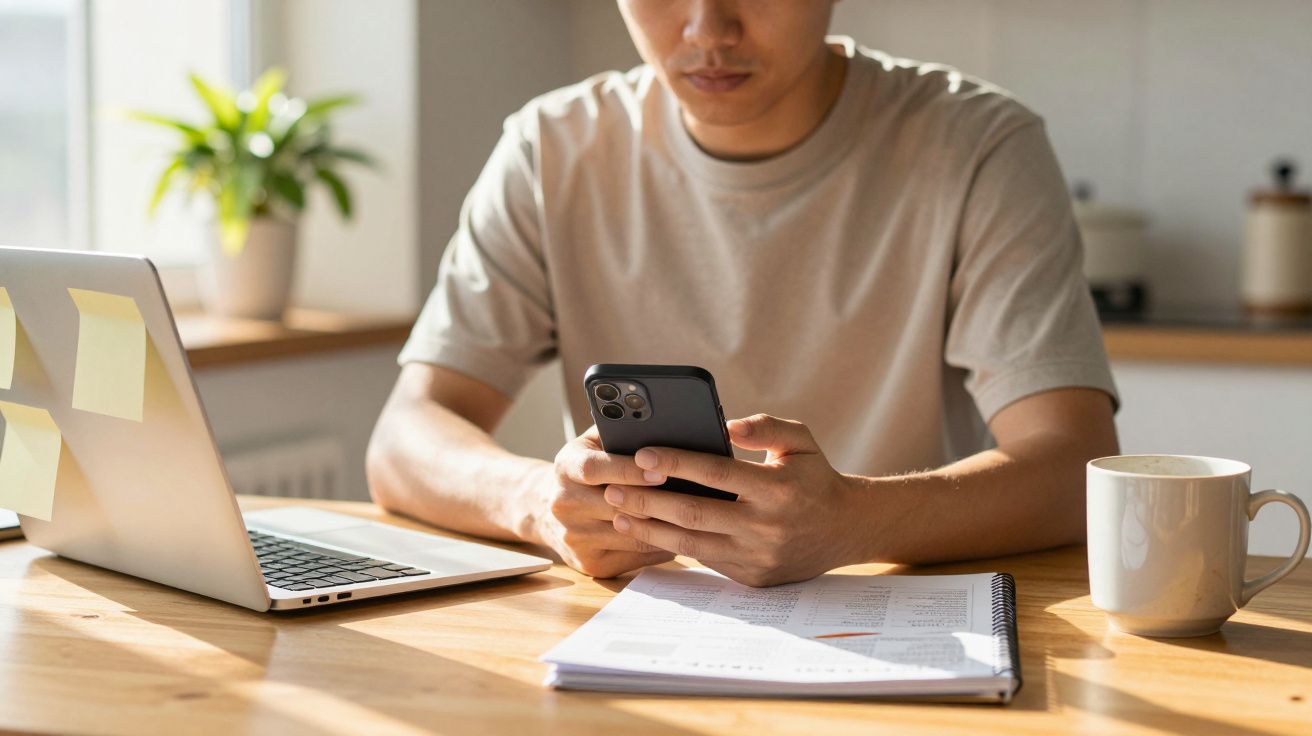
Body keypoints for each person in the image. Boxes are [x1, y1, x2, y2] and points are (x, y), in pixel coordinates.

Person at [366, 0, 1120, 587]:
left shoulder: (979, 146)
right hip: (634, 634)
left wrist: (855, 522)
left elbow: (1072, 463)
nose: (708, 29)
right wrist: (538, 502)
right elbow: (406, 436)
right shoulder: (551, 147)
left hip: (904, 621)